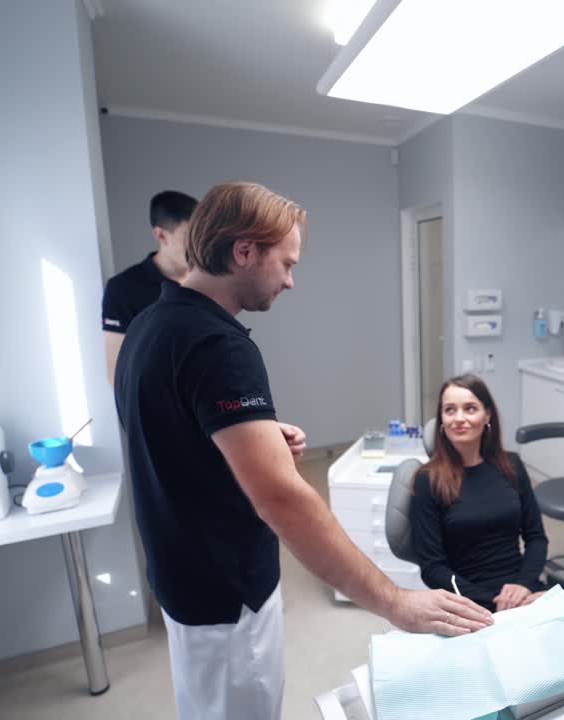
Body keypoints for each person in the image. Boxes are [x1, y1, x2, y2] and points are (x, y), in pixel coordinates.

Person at [113, 182, 492, 720]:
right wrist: (395, 601)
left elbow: (163, 431)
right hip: (226, 595)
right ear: (244, 252)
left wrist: (250, 434)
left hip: (181, 580)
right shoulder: (219, 346)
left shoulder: (151, 324)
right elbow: (285, 501)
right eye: (285, 264)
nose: (290, 281)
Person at [410, 374, 549, 612]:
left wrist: (523, 585)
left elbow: (536, 538)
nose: (459, 418)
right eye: (450, 410)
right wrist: (493, 603)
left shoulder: (512, 466)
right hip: (467, 602)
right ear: (441, 421)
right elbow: (433, 568)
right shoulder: (428, 480)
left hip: (522, 592)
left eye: (470, 408)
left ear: (487, 415)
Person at [102, 190, 199, 384]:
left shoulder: (207, 279)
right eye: (189, 236)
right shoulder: (123, 289)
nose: (198, 245)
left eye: (201, 235)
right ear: (160, 235)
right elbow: (117, 377)